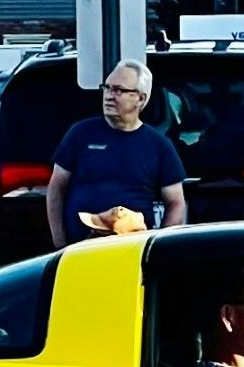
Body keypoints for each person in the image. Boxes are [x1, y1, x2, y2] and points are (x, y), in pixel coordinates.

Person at [49, 61, 189, 247]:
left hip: (130, 249)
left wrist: (159, 246)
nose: (109, 96)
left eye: (118, 90)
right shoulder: (80, 133)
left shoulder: (159, 146)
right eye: (107, 88)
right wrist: (59, 243)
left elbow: (176, 203)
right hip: (78, 249)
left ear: (140, 98)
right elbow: (56, 189)